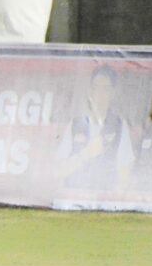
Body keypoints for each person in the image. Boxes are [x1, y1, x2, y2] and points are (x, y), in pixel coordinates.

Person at [56, 65, 135, 193]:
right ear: (90, 92)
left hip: (104, 199)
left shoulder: (119, 126)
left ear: (112, 93)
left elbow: (124, 175)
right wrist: (85, 154)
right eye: (96, 88)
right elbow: (58, 171)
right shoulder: (75, 125)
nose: (100, 94)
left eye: (106, 89)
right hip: (74, 196)